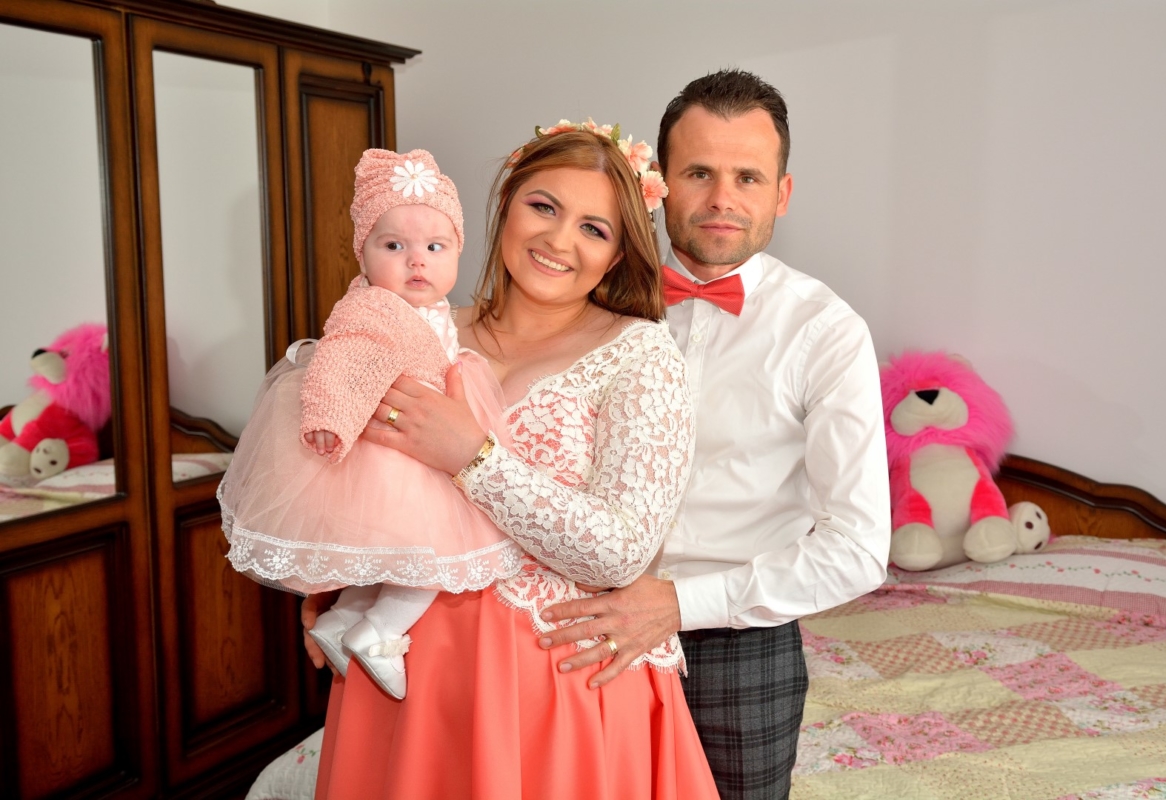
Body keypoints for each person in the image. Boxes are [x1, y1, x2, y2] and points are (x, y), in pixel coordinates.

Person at [306, 122, 720, 799]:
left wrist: (472, 457)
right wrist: (329, 582)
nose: (558, 240)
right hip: (406, 671)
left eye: (594, 229)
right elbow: (347, 471)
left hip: (557, 687)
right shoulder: (421, 328)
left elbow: (620, 551)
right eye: (543, 206)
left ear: (617, 255)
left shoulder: (641, 354)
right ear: (505, 206)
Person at [536, 70, 893, 798]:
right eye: (699, 172)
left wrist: (677, 605)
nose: (722, 198)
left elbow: (858, 550)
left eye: (747, 177)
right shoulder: (583, 293)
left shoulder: (825, 332)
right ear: (659, 185)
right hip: (568, 619)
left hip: (738, 647)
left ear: (781, 194)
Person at [220, 148, 523, 701]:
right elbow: (340, 359)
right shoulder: (370, 309)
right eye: (394, 247)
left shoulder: (434, 311)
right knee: (428, 561)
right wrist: (330, 417)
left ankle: (342, 621)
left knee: (380, 561)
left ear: (458, 251)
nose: (417, 262)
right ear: (363, 254)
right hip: (392, 457)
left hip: (419, 442)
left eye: (435, 247)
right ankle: (379, 633)